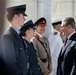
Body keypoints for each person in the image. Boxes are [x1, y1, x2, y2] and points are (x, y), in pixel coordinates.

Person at [2, 4, 28, 75]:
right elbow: (10, 65)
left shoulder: (18, 35)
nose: (24, 19)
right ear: (15, 17)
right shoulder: (7, 36)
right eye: (23, 16)